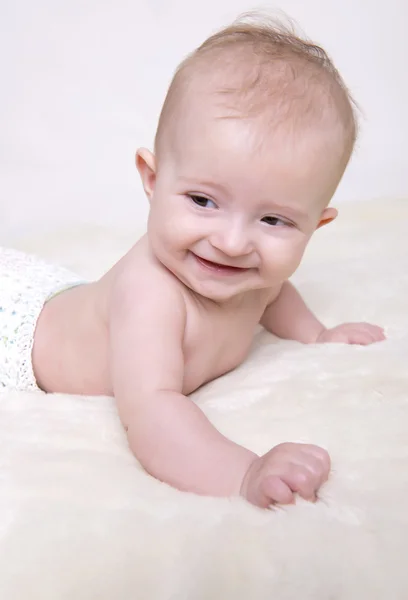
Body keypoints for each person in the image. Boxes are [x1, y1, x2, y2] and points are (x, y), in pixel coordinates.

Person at [0, 13, 385, 508]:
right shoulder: (151, 294)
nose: (230, 242)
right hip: (19, 331)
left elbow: (274, 298)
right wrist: (246, 473)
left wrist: (317, 335)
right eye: (203, 201)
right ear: (153, 180)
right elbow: (152, 412)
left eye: (273, 221)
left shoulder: (255, 276)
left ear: (316, 225)